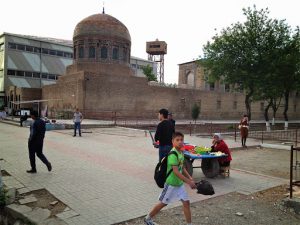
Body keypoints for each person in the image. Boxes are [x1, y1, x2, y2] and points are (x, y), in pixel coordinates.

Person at [145, 132, 196, 225]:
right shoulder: (173, 154)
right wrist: (188, 182)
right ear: (173, 141)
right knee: (163, 203)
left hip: (179, 184)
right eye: (177, 140)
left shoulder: (181, 152)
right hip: (171, 185)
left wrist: (190, 177)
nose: (180, 142)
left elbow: (182, 167)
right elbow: (176, 172)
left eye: (181, 140)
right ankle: (148, 218)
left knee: (186, 203)